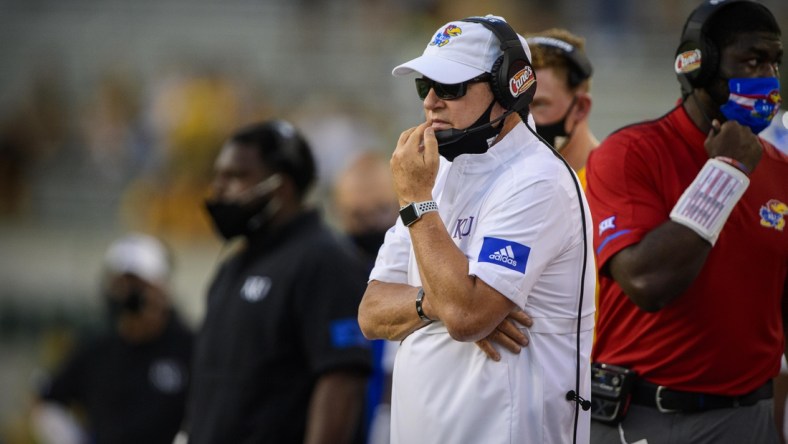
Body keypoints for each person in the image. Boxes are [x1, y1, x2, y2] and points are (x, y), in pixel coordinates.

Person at [357, 15, 596, 444]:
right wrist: (436, 303)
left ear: (511, 87)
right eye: (424, 86)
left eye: (450, 87)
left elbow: (467, 316)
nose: (431, 101)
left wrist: (415, 201)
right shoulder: (436, 174)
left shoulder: (537, 180)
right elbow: (371, 313)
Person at [585, 1, 787, 443]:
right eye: (752, 60)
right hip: (648, 416)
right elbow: (647, 282)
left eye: (774, 61)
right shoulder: (630, 153)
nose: (769, 77)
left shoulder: (780, 169)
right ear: (700, 66)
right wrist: (727, 172)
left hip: (751, 417)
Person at [186, 119, 372, 444]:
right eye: (219, 175)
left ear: (280, 185)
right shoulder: (232, 268)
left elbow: (342, 381)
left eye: (235, 176)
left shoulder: (325, 260)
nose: (219, 188)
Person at [31, 233, 193, 444]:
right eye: (119, 283)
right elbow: (48, 399)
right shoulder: (96, 348)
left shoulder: (190, 347)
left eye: (136, 284)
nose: (126, 293)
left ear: (160, 288)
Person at [332, 151, 400, 444]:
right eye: (358, 215)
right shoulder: (332, 274)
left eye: (381, 210)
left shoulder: (423, 263)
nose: (371, 224)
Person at [526, 28, 599, 186]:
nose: (524, 118)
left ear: (580, 108)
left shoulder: (615, 184)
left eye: (539, 104)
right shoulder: (508, 185)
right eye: (517, 106)